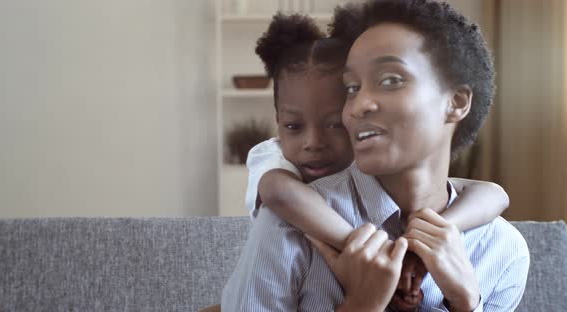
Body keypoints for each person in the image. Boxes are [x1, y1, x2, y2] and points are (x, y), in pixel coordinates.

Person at [220, 2, 529, 310]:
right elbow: (277, 189)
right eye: (351, 88)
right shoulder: (290, 224)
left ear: (456, 101)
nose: (358, 105)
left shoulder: (503, 250)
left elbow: (491, 193)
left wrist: (466, 302)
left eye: (390, 80)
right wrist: (362, 304)